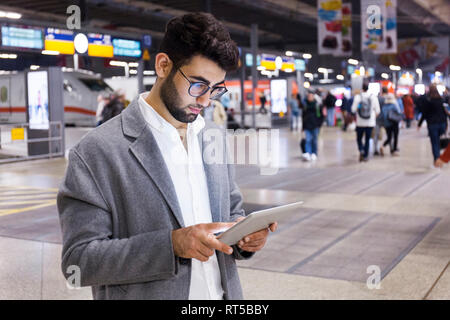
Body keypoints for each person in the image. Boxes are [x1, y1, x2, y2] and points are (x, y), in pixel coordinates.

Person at [57, 12, 276, 300]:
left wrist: (244, 237)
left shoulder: (213, 138)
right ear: (163, 65)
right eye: (198, 85)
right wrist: (171, 245)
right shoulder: (97, 151)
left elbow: (231, 213)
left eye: (216, 89)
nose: (205, 100)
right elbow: (78, 262)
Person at [418, 84, 448, 164]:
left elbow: (424, 114)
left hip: (432, 124)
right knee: (440, 140)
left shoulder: (428, 101)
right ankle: (441, 158)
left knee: (435, 142)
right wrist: (447, 124)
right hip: (442, 123)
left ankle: (436, 159)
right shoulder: (442, 100)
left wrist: (419, 124)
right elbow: (445, 113)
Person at [351, 82, 381, 162]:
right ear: (368, 88)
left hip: (360, 123)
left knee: (359, 138)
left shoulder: (357, 97)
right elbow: (378, 111)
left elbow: (353, 110)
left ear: (362, 88)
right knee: (367, 139)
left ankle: (361, 149)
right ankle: (365, 156)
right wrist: (373, 117)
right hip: (370, 123)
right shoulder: (373, 97)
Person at [301, 90, 324, 161]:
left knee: (314, 140)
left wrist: (319, 124)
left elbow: (321, 116)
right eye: (308, 96)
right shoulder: (305, 105)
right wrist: (303, 126)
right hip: (307, 125)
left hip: (315, 125)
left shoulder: (317, 105)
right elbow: (303, 116)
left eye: (311, 96)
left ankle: (314, 153)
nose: (310, 97)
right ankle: (308, 153)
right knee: (307, 140)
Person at [374, 87, 388, 156]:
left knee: (376, 135)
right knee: (389, 135)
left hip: (377, 119)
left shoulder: (377, 99)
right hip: (386, 119)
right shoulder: (387, 99)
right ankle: (389, 148)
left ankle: (375, 149)